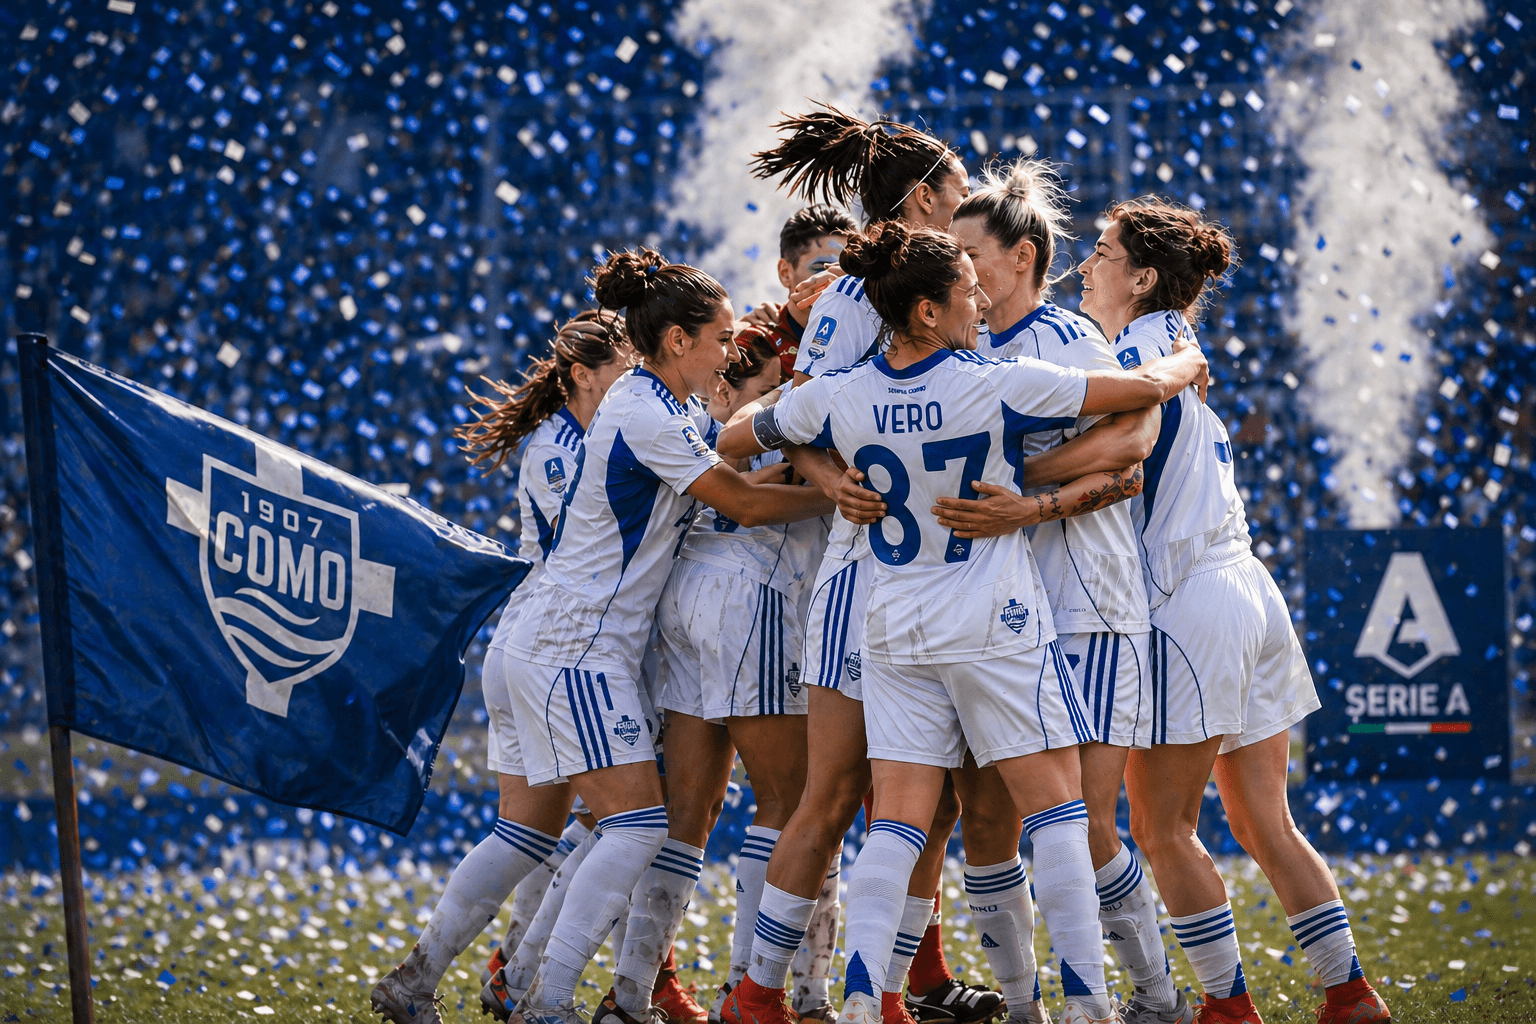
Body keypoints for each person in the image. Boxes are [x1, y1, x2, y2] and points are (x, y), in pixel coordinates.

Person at [717, 221, 1211, 1024]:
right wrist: (1186, 358)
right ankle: (1087, 1003)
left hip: (895, 627)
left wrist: (831, 475)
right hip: (992, 622)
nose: (979, 303)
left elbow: (736, 434)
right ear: (925, 311)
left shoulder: (843, 393)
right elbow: (1140, 394)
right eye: (965, 292)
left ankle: (859, 999)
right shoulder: (997, 382)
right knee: (1056, 810)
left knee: (897, 823)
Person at [370, 249, 832, 1024]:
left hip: (549, 640)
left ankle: (417, 983)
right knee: (637, 826)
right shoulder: (645, 409)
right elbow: (744, 504)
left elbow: (731, 466)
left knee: (530, 832)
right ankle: (546, 999)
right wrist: (841, 498)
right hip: (577, 646)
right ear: (677, 341)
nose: (728, 354)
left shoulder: (655, 404)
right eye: (719, 338)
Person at [1076, 198, 1392, 1024]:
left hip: (1188, 603)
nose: (1085, 265)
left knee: (1162, 827)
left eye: (1102, 252)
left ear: (1142, 278)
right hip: (1247, 589)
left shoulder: (1128, 357)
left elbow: (1112, 459)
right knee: (1265, 821)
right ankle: (1350, 993)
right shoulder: (1173, 344)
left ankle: (1227, 1006)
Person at [724, 105, 1006, 1024]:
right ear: (923, 197)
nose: (970, 197)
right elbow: (795, 412)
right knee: (840, 792)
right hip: (866, 572)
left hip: (935, 576)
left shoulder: (939, 282)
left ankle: (901, 982)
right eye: (959, 186)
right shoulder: (854, 296)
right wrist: (830, 481)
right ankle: (760, 993)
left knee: (930, 798)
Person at [939, 163, 1192, 1024]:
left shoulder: (1069, 338)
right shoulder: (965, 349)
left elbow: (1131, 453)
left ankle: (1154, 997)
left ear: (1022, 257)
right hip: (993, 613)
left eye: (972, 253)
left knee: (1083, 822)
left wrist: (1027, 489)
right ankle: (1023, 1006)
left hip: (1086, 605)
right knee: (983, 818)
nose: (961, 268)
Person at [452, 311, 634, 1012]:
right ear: (582, 376)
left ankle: (471, 972)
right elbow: (600, 538)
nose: (635, 383)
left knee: (540, 829)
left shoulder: (592, 433)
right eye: (624, 370)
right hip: (555, 646)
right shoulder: (558, 449)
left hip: (551, 646)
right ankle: (526, 976)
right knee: (623, 820)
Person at [654, 325, 836, 1020]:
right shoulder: (795, 405)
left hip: (688, 592)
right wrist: (844, 494)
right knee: (793, 804)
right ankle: (750, 987)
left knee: (684, 813)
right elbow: (765, 489)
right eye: (768, 385)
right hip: (753, 593)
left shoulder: (699, 418)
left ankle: (633, 986)